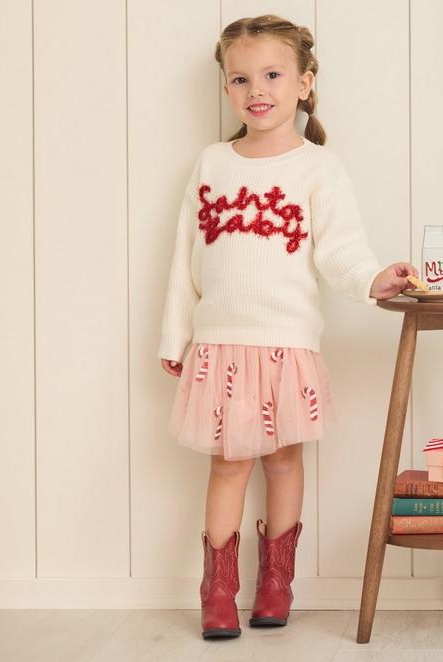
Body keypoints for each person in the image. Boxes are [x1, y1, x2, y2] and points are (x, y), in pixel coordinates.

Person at [157, 14, 419, 641]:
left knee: (283, 460)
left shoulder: (318, 169)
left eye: (272, 75)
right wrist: (175, 338)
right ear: (226, 88)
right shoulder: (213, 163)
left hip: (287, 344)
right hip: (222, 342)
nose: (257, 89)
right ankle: (217, 590)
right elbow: (183, 260)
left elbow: (341, 251)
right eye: (241, 78)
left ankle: (277, 583)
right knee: (228, 464)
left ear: (303, 83)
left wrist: (375, 278)